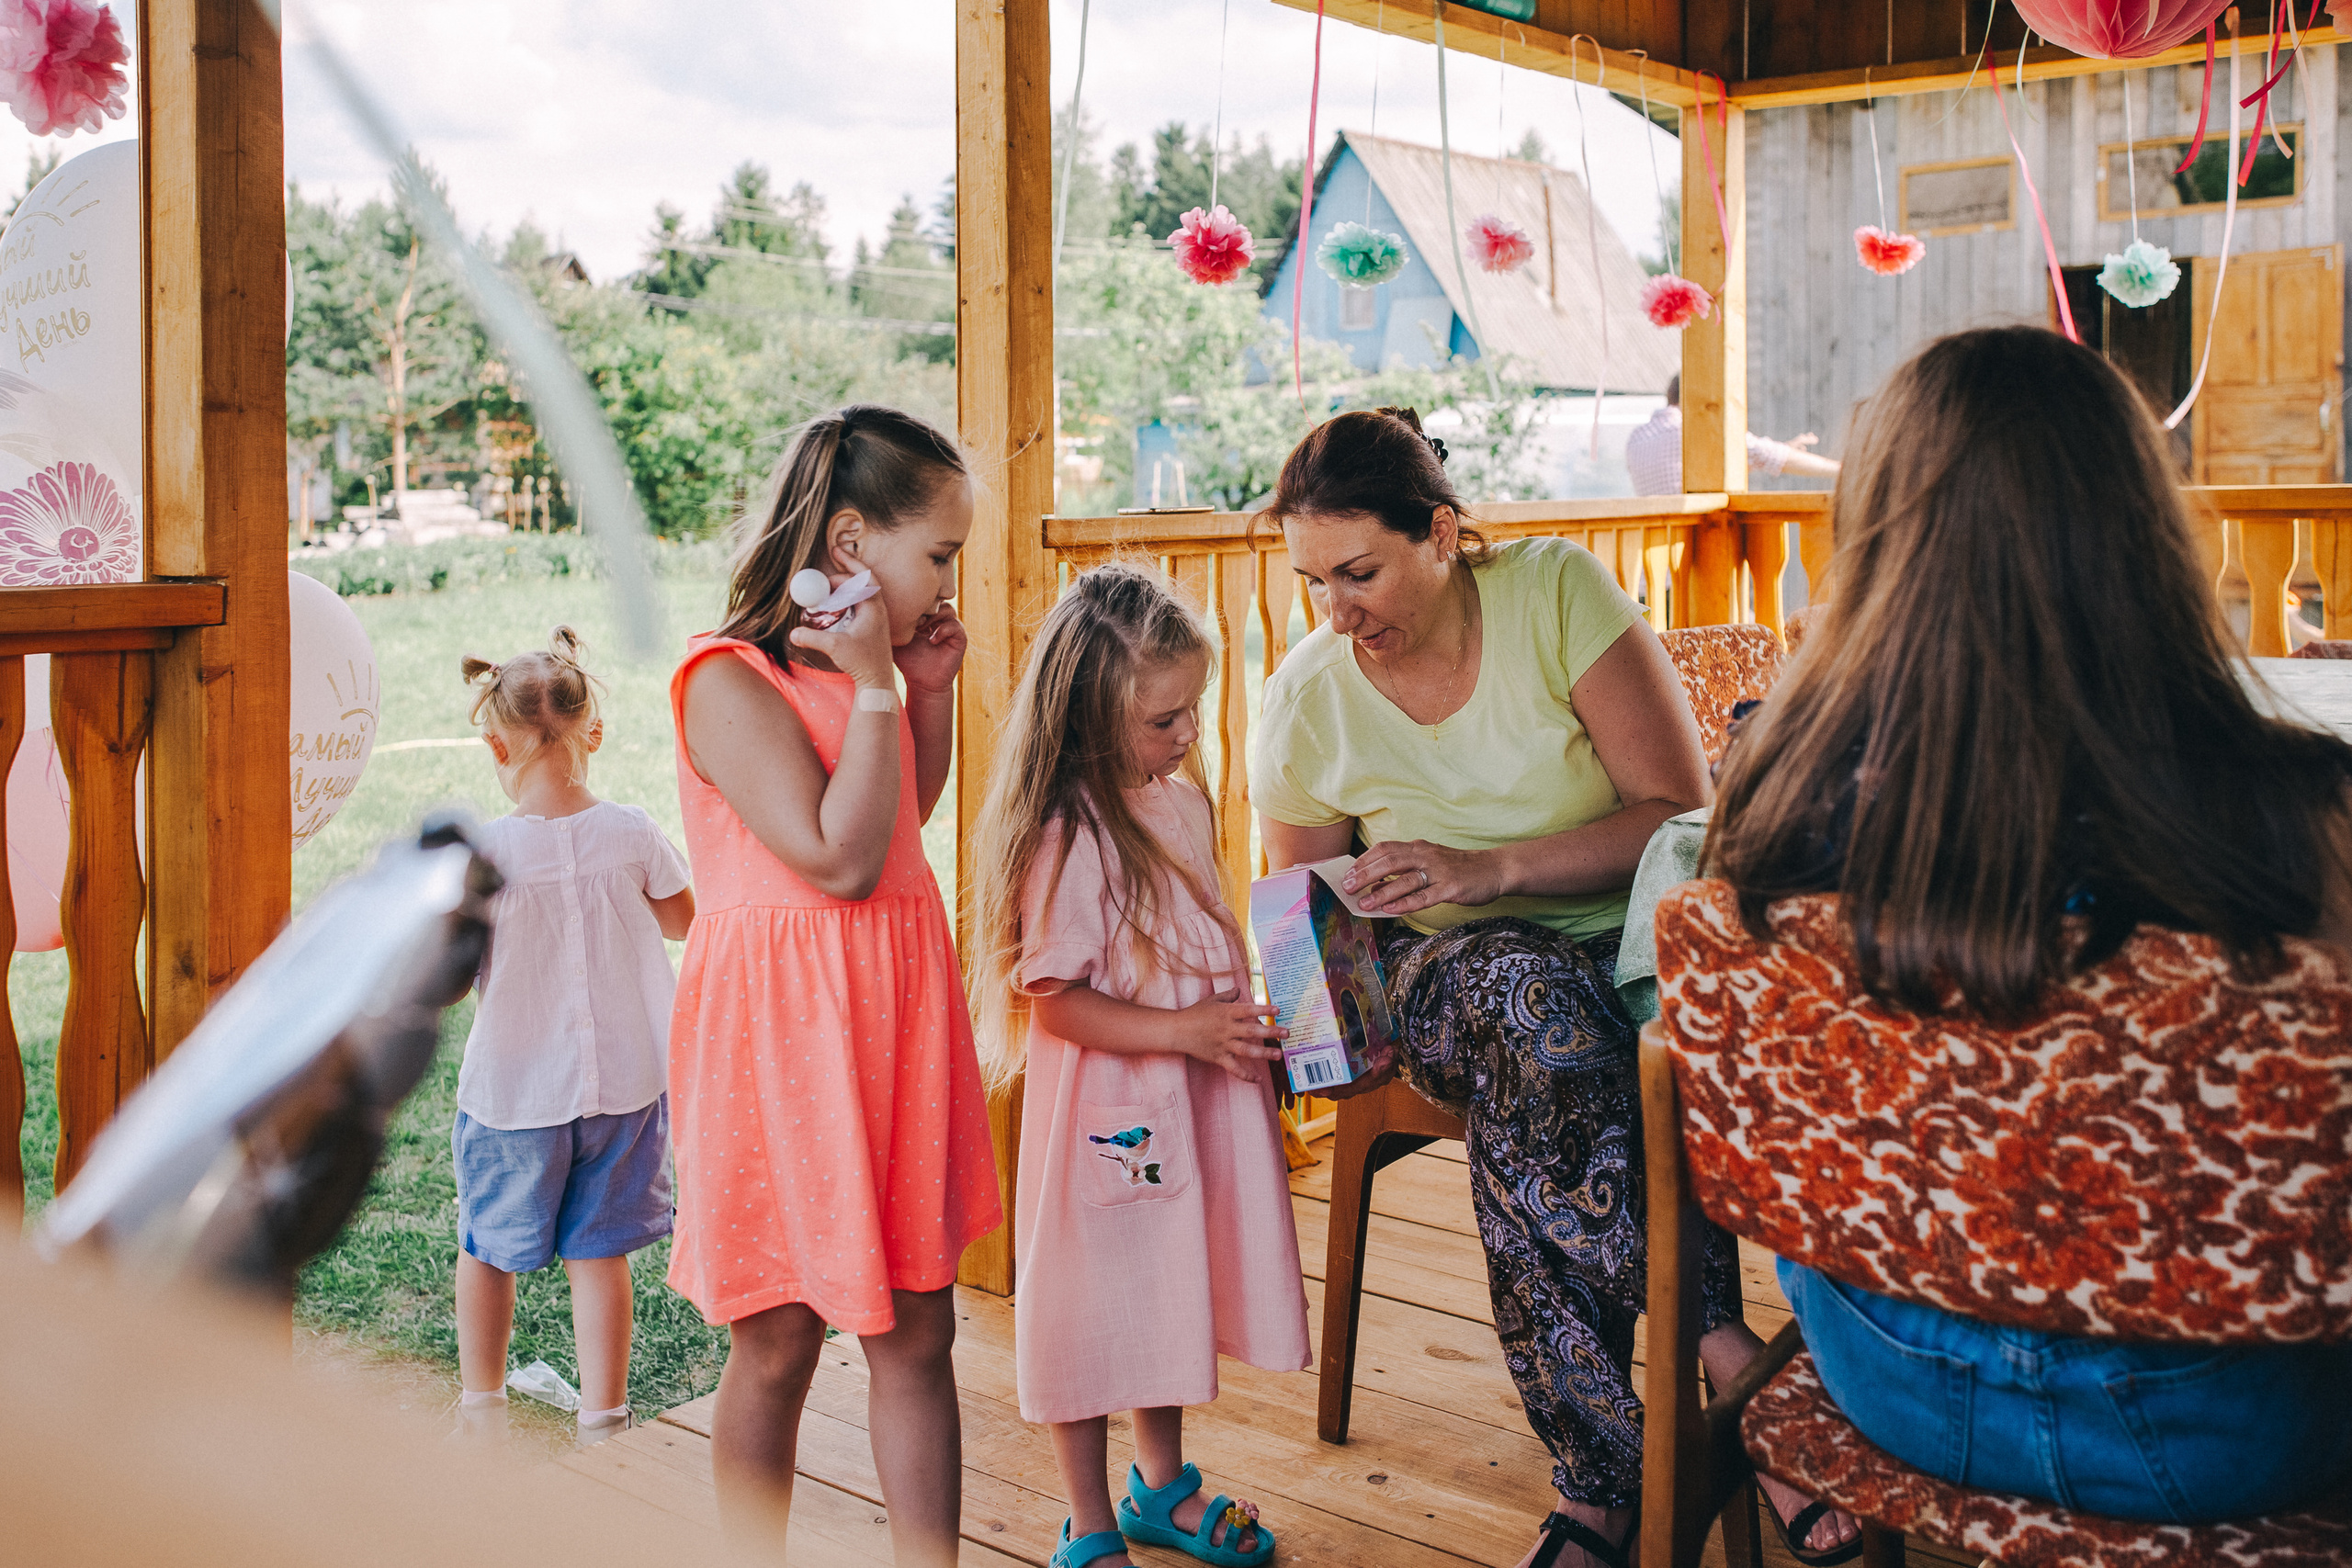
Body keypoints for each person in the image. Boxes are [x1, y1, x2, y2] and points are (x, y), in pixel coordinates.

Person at [1705, 325, 2352, 1522]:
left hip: (1891, 1373)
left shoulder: (1775, 795)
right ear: (2141, 531)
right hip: (2229, 1423)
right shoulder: (2296, 809)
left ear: (1877, 533)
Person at [1250, 407, 1857, 1568]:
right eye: (1314, 581)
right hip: (1440, 979)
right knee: (1522, 995)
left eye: (1360, 571)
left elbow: (1678, 819)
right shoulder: (1310, 694)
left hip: (1624, 947)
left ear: (1441, 534)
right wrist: (1306, 1049)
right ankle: (1729, 1354)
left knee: (1539, 1108)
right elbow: (1305, 924)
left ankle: (1598, 1492)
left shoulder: (1553, 593)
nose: (1338, 611)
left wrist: (1493, 869)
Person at [667, 405, 1001, 1564]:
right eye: (941, 553)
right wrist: (872, 687)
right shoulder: (726, 679)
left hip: (889, 1018)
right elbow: (838, 858)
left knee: (919, 1330)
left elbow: (897, 820)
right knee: (779, 1341)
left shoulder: (869, 673)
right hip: (782, 1041)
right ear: (853, 544)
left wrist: (924, 695)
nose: (951, 576)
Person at [969, 562, 1309, 1568]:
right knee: (1090, 1305)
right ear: (1087, 719)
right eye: (1165, 719)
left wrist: (1249, 1025)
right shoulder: (1071, 835)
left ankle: (1161, 1486)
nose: (1187, 735)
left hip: (1190, 1098)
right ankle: (1086, 1516)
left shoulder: (1178, 805)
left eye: (1191, 711)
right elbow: (1056, 997)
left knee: (1166, 1283)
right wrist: (1183, 1035)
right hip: (1108, 1122)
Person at [448, 626, 696, 1448]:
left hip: (515, 1092)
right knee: (601, 1253)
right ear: (594, 733)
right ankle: (603, 1419)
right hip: (623, 1086)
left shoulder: (485, 854)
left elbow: (451, 975)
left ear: (496, 745)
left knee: (487, 1246)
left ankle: (480, 1407)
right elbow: (685, 919)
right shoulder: (631, 831)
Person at [1624, 373, 1840, 496]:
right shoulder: (1691, 432)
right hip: (1694, 559)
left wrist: (1782, 448)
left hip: (1651, 564)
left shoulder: (1638, 438)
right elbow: (1768, 454)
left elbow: (1693, 477)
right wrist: (1842, 470)